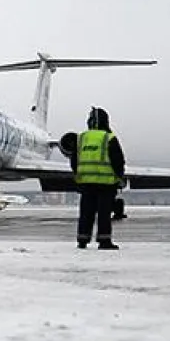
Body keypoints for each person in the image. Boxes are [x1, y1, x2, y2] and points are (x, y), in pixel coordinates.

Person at [69, 107, 125, 249]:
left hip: (86, 183)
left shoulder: (81, 137)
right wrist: (119, 177)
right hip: (106, 183)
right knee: (104, 213)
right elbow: (118, 160)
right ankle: (104, 241)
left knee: (86, 213)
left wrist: (79, 174)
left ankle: (82, 239)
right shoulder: (109, 137)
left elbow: (74, 160)